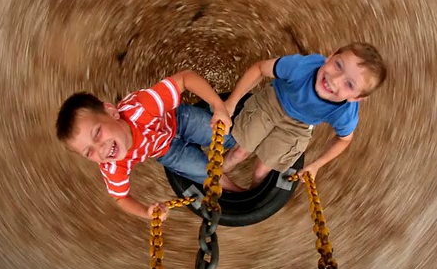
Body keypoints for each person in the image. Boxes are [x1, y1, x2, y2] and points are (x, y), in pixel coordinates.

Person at [55, 70, 244, 221]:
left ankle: (245, 145)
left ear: (112, 112)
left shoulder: (143, 107)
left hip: (179, 120)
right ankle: (241, 195)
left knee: (231, 137)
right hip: (166, 151)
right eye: (89, 152)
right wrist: (147, 212)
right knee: (207, 174)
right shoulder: (111, 165)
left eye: (97, 133)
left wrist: (218, 106)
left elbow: (185, 78)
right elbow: (120, 198)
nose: (100, 149)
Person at [221, 42, 387, 188]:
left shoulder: (344, 113)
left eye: (349, 84)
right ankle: (213, 175)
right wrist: (232, 101)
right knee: (239, 152)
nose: (335, 80)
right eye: (338, 65)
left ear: (356, 98)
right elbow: (260, 69)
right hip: (272, 102)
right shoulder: (301, 67)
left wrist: (316, 165)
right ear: (331, 56)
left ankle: (251, 199)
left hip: (298, 126)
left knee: (261, 171)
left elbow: (344, 140)